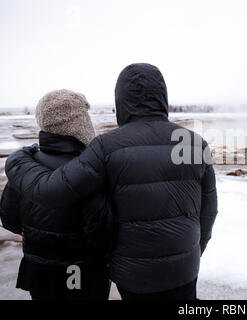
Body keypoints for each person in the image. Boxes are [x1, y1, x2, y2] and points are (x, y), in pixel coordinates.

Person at [5, 63, 218, 300]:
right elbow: (208, 211)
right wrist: (194, 252)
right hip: (184, 269)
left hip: (133, 276)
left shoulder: (107, 147)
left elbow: (51, 191)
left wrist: (17, 160)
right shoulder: (196, 144)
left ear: (121, 102)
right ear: (162, 97)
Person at [0, 89, 112, 300]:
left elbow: (9, 221)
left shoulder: (25, 169)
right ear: (79, 125)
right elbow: (101, 234)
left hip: (39, 274)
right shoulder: (88, 172)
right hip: (83, 276)